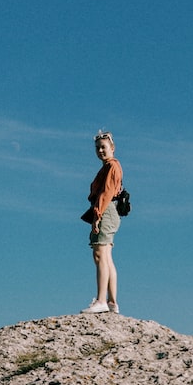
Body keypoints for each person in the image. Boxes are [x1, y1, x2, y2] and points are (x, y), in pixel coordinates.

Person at [80, 130, 123, 314]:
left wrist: (97, 216)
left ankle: (101, 300)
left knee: (100, 255)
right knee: (106, 256)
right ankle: (112, 302)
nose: (100, 151)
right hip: (109, 211)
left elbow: (105, 193)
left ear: (112, 148)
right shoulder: (108, 167)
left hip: (105, 211)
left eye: (103, 147)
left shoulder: (112, 167)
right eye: (97, 148)